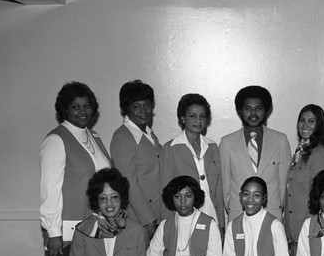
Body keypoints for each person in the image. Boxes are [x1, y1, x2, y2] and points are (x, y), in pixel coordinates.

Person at [40, 81, 111, 256]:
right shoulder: (56, 139)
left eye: (87, 106)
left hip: (97, 223)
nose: (83, 111)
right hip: (70, 227)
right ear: (65, 109)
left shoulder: (94, 136)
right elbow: (50, 189)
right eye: (75, 107)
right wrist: (54, 232)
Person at [220, 86, 291, 222]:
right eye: (248, 108)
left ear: (266, 111)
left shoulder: (281, 140)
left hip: (271, 214)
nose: (253, 113)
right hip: (238, 214)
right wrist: (233, 208)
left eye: (258, 108)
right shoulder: (227, 142)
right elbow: (225, 185)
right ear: (240, 110)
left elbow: (284, 182)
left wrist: (278, 207)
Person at [160, 93, 224, 230]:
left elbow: (219, 189)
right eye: (192, 116)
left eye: (202, 116)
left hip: (212, 217)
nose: (198, 121)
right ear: (182, 118)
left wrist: (222, 224)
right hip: (184, 219)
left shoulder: (213, 147)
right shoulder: (170, 149)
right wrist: (168, 227)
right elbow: (166, 192)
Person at [110, 80, 162, 241]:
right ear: (127, 109)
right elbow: (129, 182)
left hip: (158, 211)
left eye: (146, 104)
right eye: (136, 106)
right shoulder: (122, 138)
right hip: (140, 217)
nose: (143, 111)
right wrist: (148, 220)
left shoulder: (148, 133)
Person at [284, 104, 324, 246]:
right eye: (302, 120)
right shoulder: (300, 152)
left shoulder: (320, 154)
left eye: (311, 121)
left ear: (319, 125)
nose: (305, 125)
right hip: (295, 228)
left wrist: (315, 229)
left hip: (311, 230)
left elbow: (323, 198)